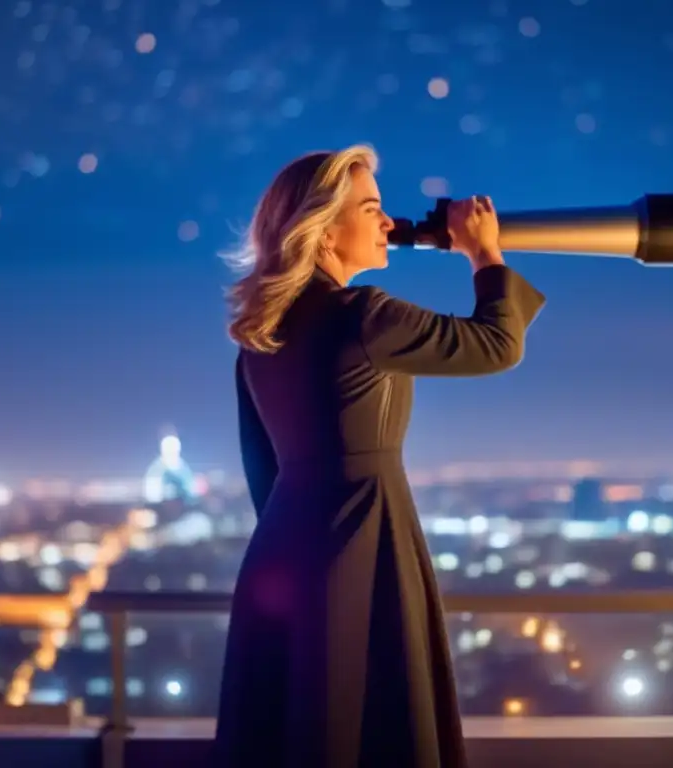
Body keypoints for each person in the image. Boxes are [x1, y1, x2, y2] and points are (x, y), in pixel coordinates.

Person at [214, 145, 545, 768]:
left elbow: (264, 473)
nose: (388, 222)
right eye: (372, 208)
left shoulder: (260, 335)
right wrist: (483, 252)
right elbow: (498, 345)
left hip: (284, 552)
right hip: (367, 540)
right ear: (323, 227)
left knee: (298, 727)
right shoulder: (368, 315)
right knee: (375, 720)